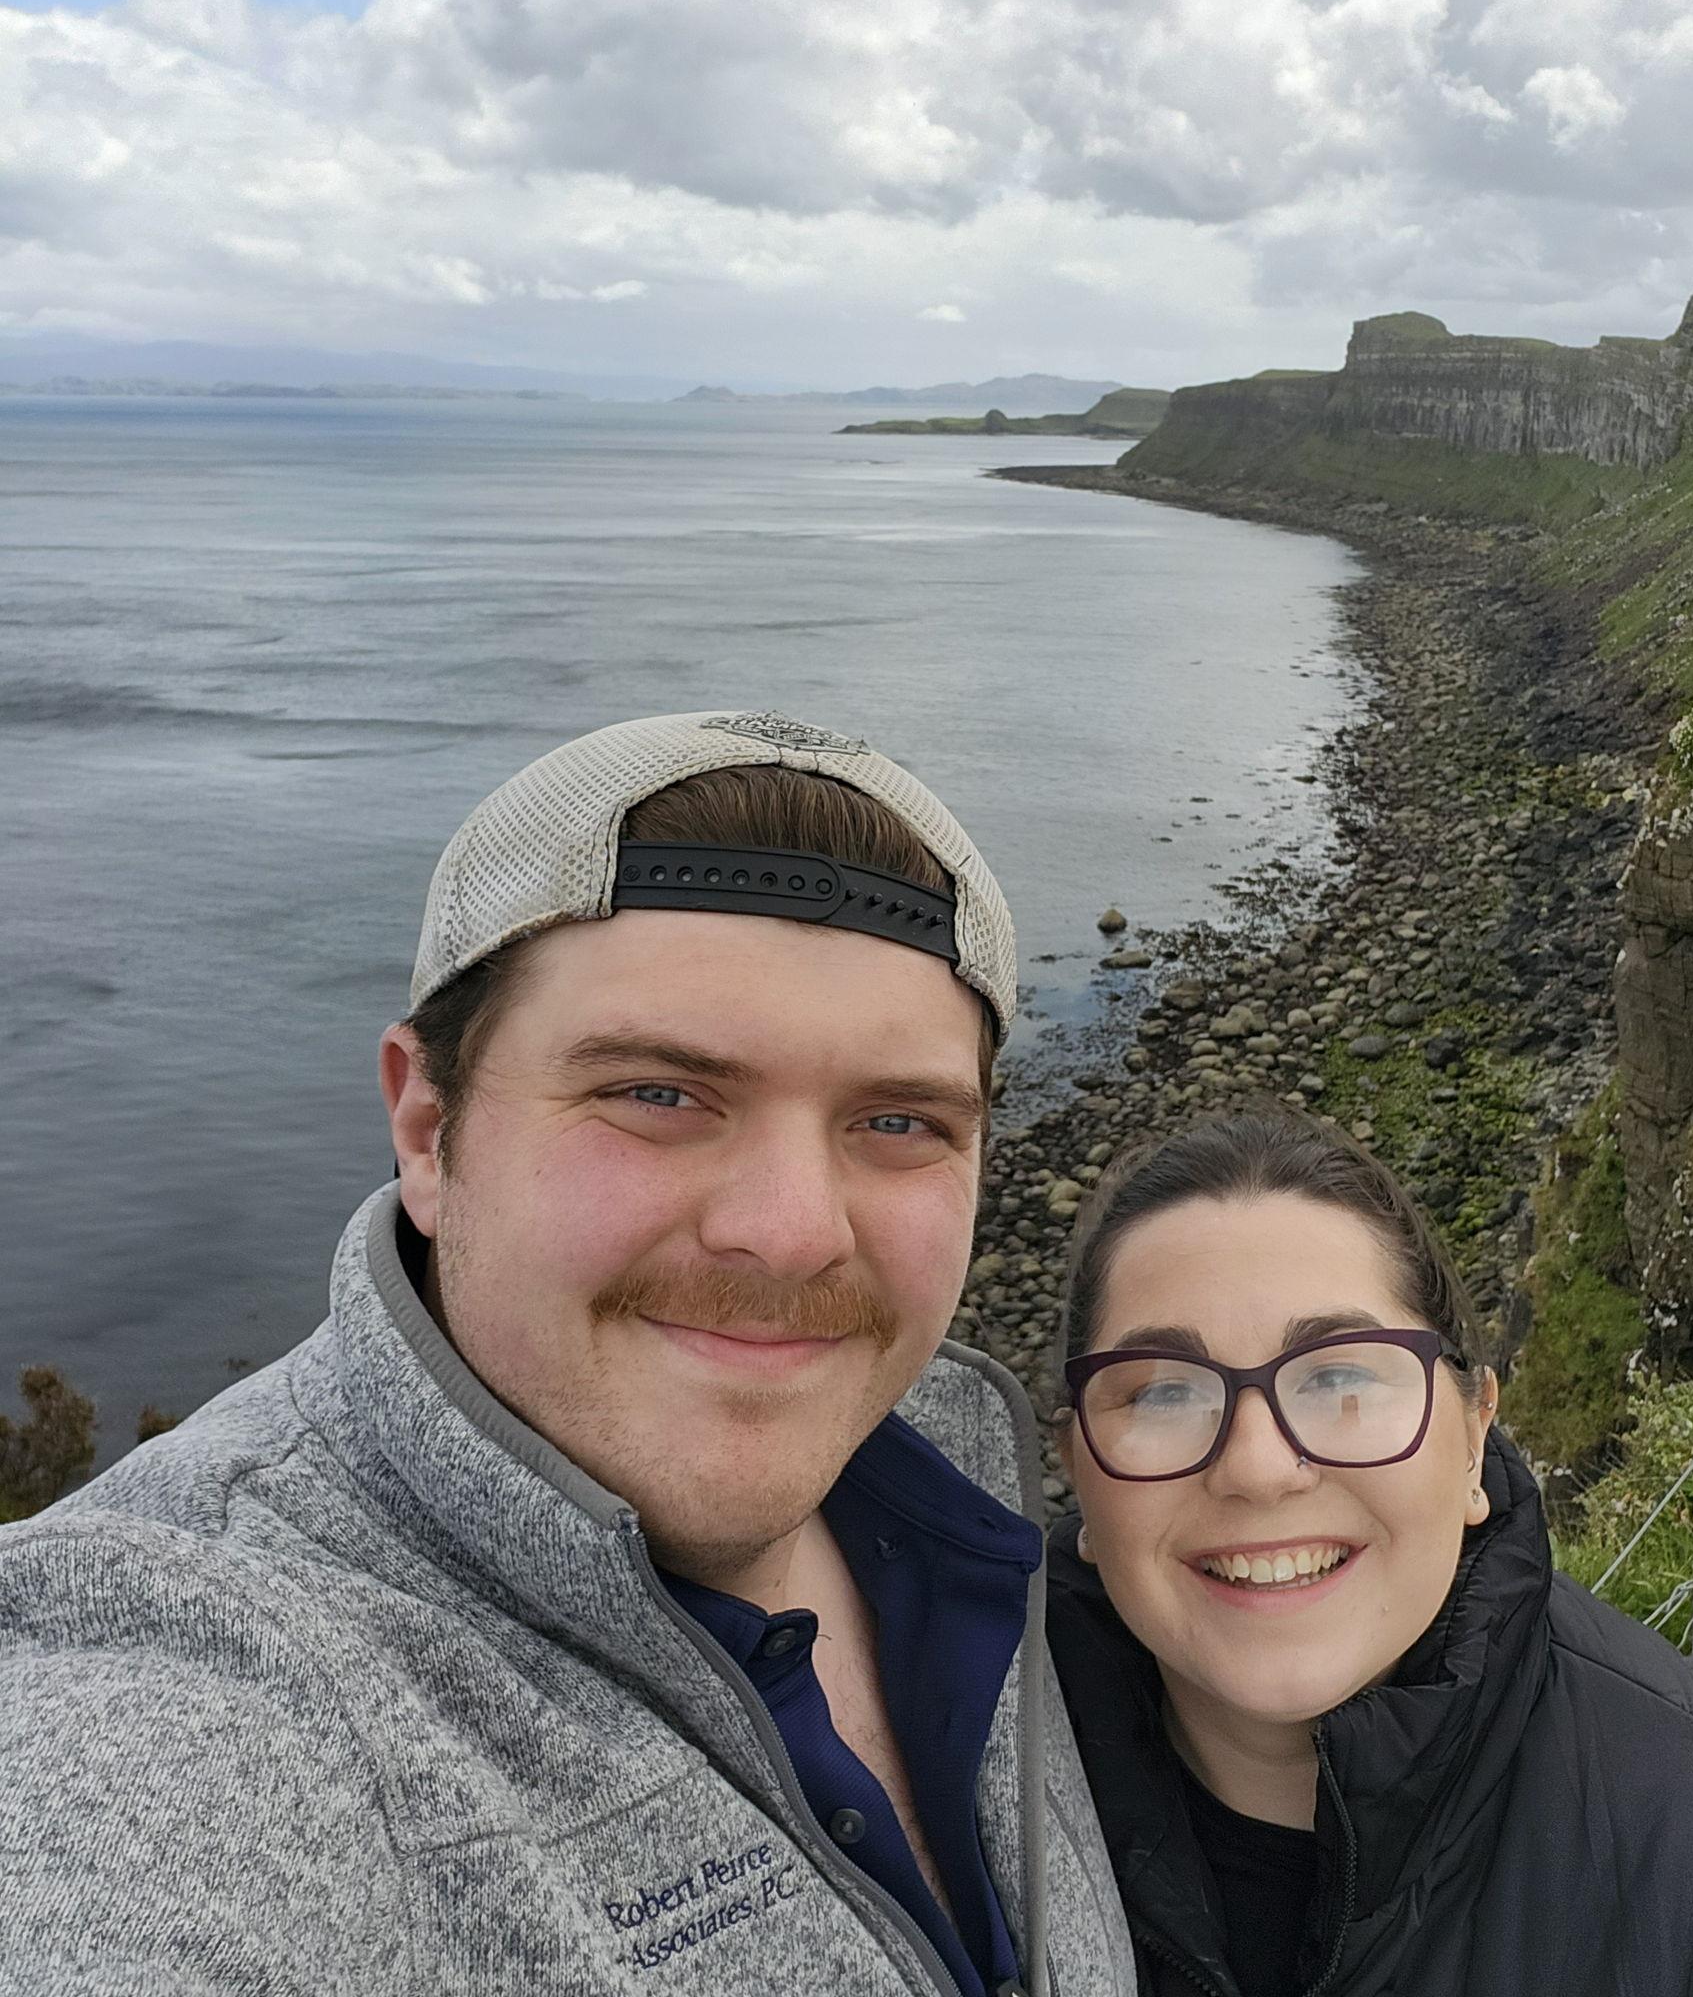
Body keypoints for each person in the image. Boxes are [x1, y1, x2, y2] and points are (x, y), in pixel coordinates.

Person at [0, 710, 1136, 1997]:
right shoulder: (193, 1691)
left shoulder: (978, 1494)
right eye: (657, 1092)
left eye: (897, 1119)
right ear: (428, 1129)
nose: (789, 1232)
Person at [1044, 1104, 1693, 1997]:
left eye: (1341, 1378)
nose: (1257, 1466)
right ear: (1074, 1468)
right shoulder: (946, 1811)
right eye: (1164, 1390)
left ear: (1474, 1433)